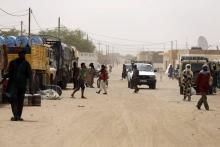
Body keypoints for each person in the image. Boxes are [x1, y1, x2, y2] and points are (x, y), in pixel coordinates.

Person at [6, 50, 33, 121]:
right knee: (13, 100)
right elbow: (9, 73)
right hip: (13, 85)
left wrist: (30, 87)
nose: (22, 55)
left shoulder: (26, 64)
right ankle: (15, 115)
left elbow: (30, 76)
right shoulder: (13, 62)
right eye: (21, 54)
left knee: (20, 101)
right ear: (19, 54)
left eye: (24, 54)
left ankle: (18, 116)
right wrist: (4, 79)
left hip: (22, 86)